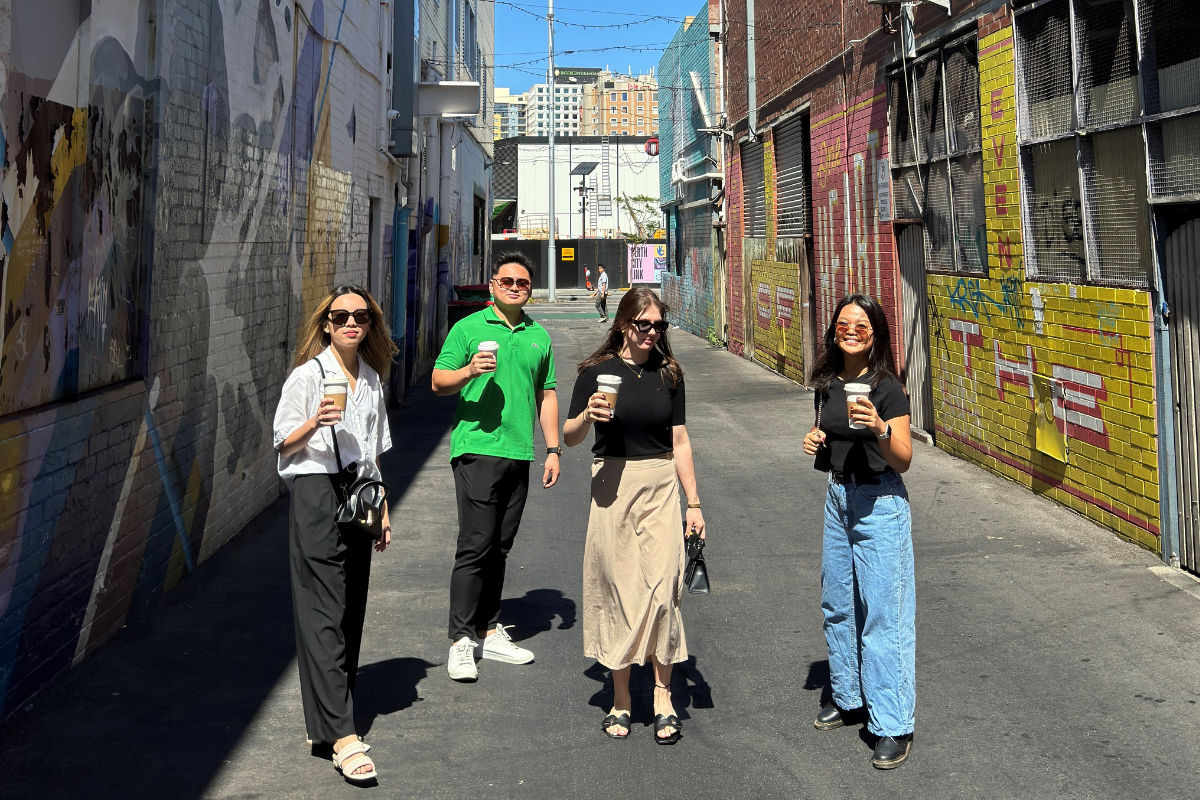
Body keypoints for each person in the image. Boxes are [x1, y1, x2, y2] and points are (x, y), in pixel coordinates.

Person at [563, 287, 704, 745]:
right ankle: (621, 699)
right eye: (644, 324)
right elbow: (570, 437)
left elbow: (679, 440)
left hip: (661, 483)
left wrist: (695, 504)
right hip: (613, 485)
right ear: (624, 324)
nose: (652, 333)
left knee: (664, 592)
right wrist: (587, 414)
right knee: (619, 593)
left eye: (659, 325)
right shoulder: (595, 372)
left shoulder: (670, 374)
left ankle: (663, 698)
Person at [273, 284, 398, 784]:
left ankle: (324, 724)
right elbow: (282, 441)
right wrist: (314, 420)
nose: (351, 323)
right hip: (314, 490)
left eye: (361, 317)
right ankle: (344, 735)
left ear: (370, 326)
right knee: (322, 606)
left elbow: (373, 449)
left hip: (360, 494)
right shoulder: (308, 376)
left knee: (349, 607)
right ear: (326, 322)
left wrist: (383, 505)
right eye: (340, 315)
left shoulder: (370, 379)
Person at [432, 251, 562, 682]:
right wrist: (470, 369)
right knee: (475, 544)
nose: (513, 287)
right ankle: (460, 641)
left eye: (522, 283)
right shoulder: (468, 328)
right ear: (492, 285)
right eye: (506, 280)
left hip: (519, 452)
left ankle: (488, 629)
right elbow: (437, 381)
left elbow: (546, 394)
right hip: (478, 448)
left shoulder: (538, 335)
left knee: (500, 548)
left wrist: (554, 448)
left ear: (530, 290)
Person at [801, 293, 915, 770]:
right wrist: (814, 440)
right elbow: (825, 434)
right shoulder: (827, 384)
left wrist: (880, 429)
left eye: (862, 326)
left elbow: (905, 458)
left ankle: (892, 724)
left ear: (876, 335)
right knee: (838, 604)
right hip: (839, 497)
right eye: (843, 324)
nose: (851, 331)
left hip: (881, 502)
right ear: (833, 331)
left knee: (883, 615)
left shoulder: (887, 389)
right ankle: (850, 699)